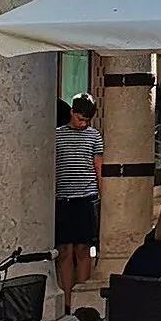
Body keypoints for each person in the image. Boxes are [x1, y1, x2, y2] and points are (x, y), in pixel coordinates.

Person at [55, 93, 105, 297]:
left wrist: (103, 196)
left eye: (87, 120)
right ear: (71, 113)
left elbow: (98, 167)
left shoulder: (94, 136)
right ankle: (67, 296)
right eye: (80, 118)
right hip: (63, 199)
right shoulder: (57, 135)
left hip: (86, 197)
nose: (83, 123)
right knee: (65, 250)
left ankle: (81, 296)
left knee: (83, 249)